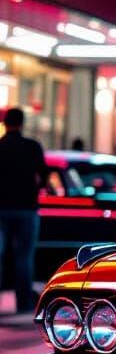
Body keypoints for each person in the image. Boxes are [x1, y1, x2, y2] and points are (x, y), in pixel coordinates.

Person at [0, 107, 47, 319]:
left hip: (1, 207)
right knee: (24, 256)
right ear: (22, 123)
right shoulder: (32, 147)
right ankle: (23, 301)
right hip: (27, 207)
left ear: (5, 123)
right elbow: (44, 176)